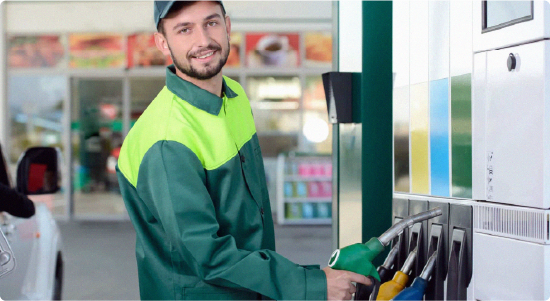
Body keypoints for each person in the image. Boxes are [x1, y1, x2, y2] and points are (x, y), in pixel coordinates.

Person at [116, 1, 371, 300]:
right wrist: (311, 284)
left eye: (210, 23)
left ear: (227, 26)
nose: (202, 40)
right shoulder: (166, 141)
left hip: (250, 290)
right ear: (163, 43)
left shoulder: (234, 97)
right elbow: (208, 256)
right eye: (184, 29)